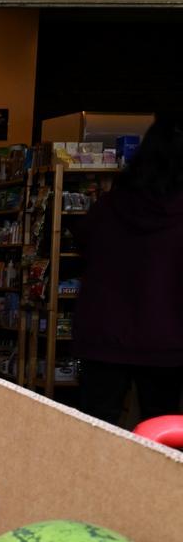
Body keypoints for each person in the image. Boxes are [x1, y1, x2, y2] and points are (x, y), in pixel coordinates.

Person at [74, 113, 183, 427]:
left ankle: (90, 478)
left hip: (105, 335)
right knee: (160, 431)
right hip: (167, 340)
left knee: (96, 428)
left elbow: (83, 239)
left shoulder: (110, 206)